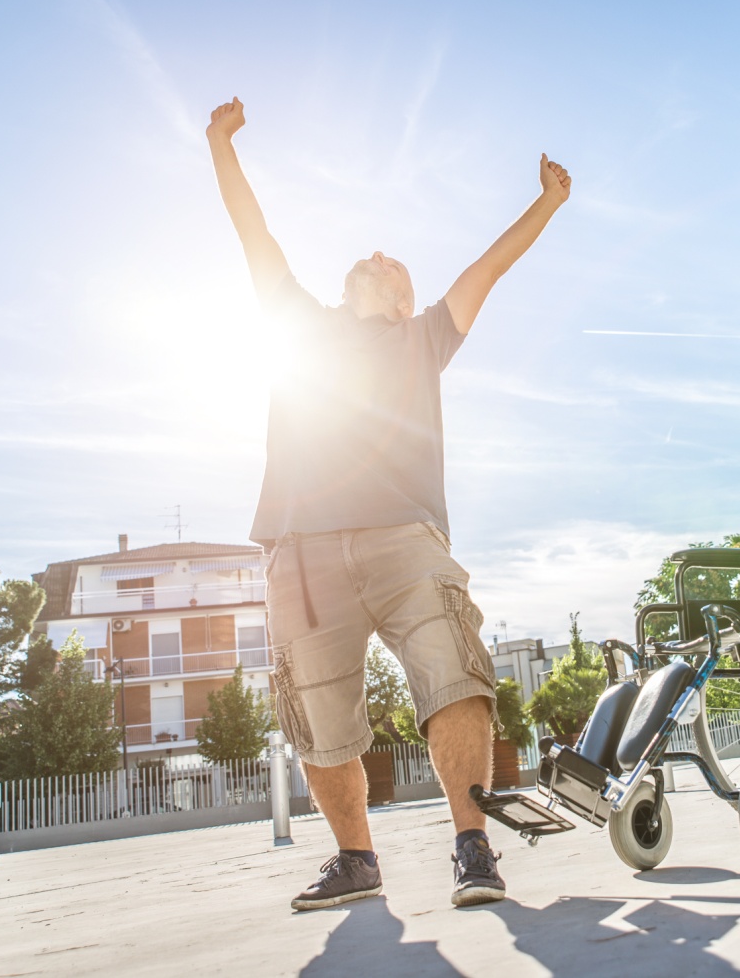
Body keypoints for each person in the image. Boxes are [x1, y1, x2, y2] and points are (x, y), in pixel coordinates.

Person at [206, 96, 570, 910]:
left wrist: (547, 201)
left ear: (405, 299)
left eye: (393, 261)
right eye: (372, 254)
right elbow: (253, 235)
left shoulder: (426, 335)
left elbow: (490, 267)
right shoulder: (298, 325)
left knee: (456, 679)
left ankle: (471, 845)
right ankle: (356, 859)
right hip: (300, 554)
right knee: (316, 714)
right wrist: (219, 145)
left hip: (407, 543)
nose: (376, 253)